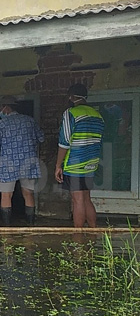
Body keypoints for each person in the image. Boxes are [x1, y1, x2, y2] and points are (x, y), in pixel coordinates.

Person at [0, 96, 44, 226]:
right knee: (28, 194)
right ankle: (30, 225)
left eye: (0, 108)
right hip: (28, 162)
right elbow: (41, 139)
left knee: (6, 195)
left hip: (8, 164)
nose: (0, 111)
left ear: (6, 108)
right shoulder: (30, 121)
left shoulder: (1, 124)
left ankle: (7, 227)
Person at [55, 83, 105, 228]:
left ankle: (79, 237)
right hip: (91, 162)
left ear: (71, 97)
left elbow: (64, 143)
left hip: (75, 163)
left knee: (77, 200)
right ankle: (93, 229)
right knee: (86, 198)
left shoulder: (70, 113)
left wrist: (58, 165)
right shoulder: (98, 115)